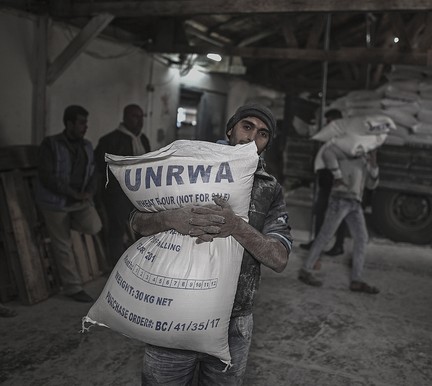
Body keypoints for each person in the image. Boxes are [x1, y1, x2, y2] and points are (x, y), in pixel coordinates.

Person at [131, 103, 292, 385]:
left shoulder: (268, 188)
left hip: (235, 321)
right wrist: (170, 218)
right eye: (247, 126)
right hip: (176, 309)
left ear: (267, 143)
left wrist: (237, 227)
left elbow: (279, 258)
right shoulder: (189, 168)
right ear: (230, 129)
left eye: (263, 133)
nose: (252, 138)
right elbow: (135, 222)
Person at [36, 105, 102, 303]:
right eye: (81, 123)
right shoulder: (50, 144)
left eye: (86, 123)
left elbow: (94, 172)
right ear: (69, 123)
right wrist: (74, 194)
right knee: (62, 244)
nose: (85, 127)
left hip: (78, 202)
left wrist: (89, 192)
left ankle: (59, 224)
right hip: (55, 202)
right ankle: (73, 288)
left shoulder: (87, 146)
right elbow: (47, 177)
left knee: (94, 225)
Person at [298, 141, 380, 294]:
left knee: (362, 238)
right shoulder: (346, 153)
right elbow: (327, 153)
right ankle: (305, 269)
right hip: (340, 200)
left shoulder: (364, 160)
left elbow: (371, 185)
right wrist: (337, 174)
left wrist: (373, 163)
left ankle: (356, 280)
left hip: (355, 203)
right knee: (325, 236)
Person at [94, 104, 150, 267]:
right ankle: (116, 266)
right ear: (125, 117)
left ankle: (139, 264)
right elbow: (99, 167)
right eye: (134, 116)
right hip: (117, 194)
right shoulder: (109, 140)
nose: (139, 121)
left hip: (140, 193)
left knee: (142, 227)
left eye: (141, 117)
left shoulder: (143, 139)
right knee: (117, 230)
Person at [300, 109, 347, 257]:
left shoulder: (344, 136)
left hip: (336, 180)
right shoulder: (328, 135)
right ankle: (317, 241)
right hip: (325, 180)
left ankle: (339, 245)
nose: (328, 124)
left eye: (330, 121)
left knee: (338, 214)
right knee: (320, 211)